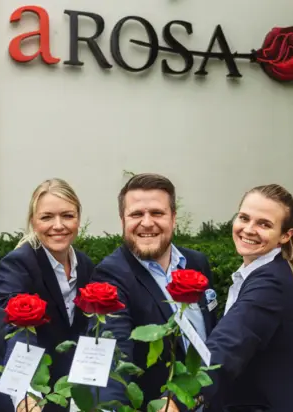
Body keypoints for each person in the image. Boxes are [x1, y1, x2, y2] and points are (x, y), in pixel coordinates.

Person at [164, 184, 293, 412]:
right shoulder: (260, 273)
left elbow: (229, 343)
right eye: (244, 218)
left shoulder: (270, 284)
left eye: (264, 224)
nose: (249, 229)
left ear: (285, 235)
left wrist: (177, 399)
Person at [0, 178, 95, 412]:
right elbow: (12, 329)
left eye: (67, 215)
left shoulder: (86, 265)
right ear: (33, 221)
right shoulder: (17, 265)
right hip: (2, 390)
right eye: (46, 217)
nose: (58, 225)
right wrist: (24, 393)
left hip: (54, 389)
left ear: (78, 218)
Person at [90, 173, 218, 409]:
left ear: (173, 218)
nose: (147, 222)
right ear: (122, 221)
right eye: (136, 214)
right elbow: (112, 358)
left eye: (157, 213)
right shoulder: (109, 277)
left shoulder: (196, 263)